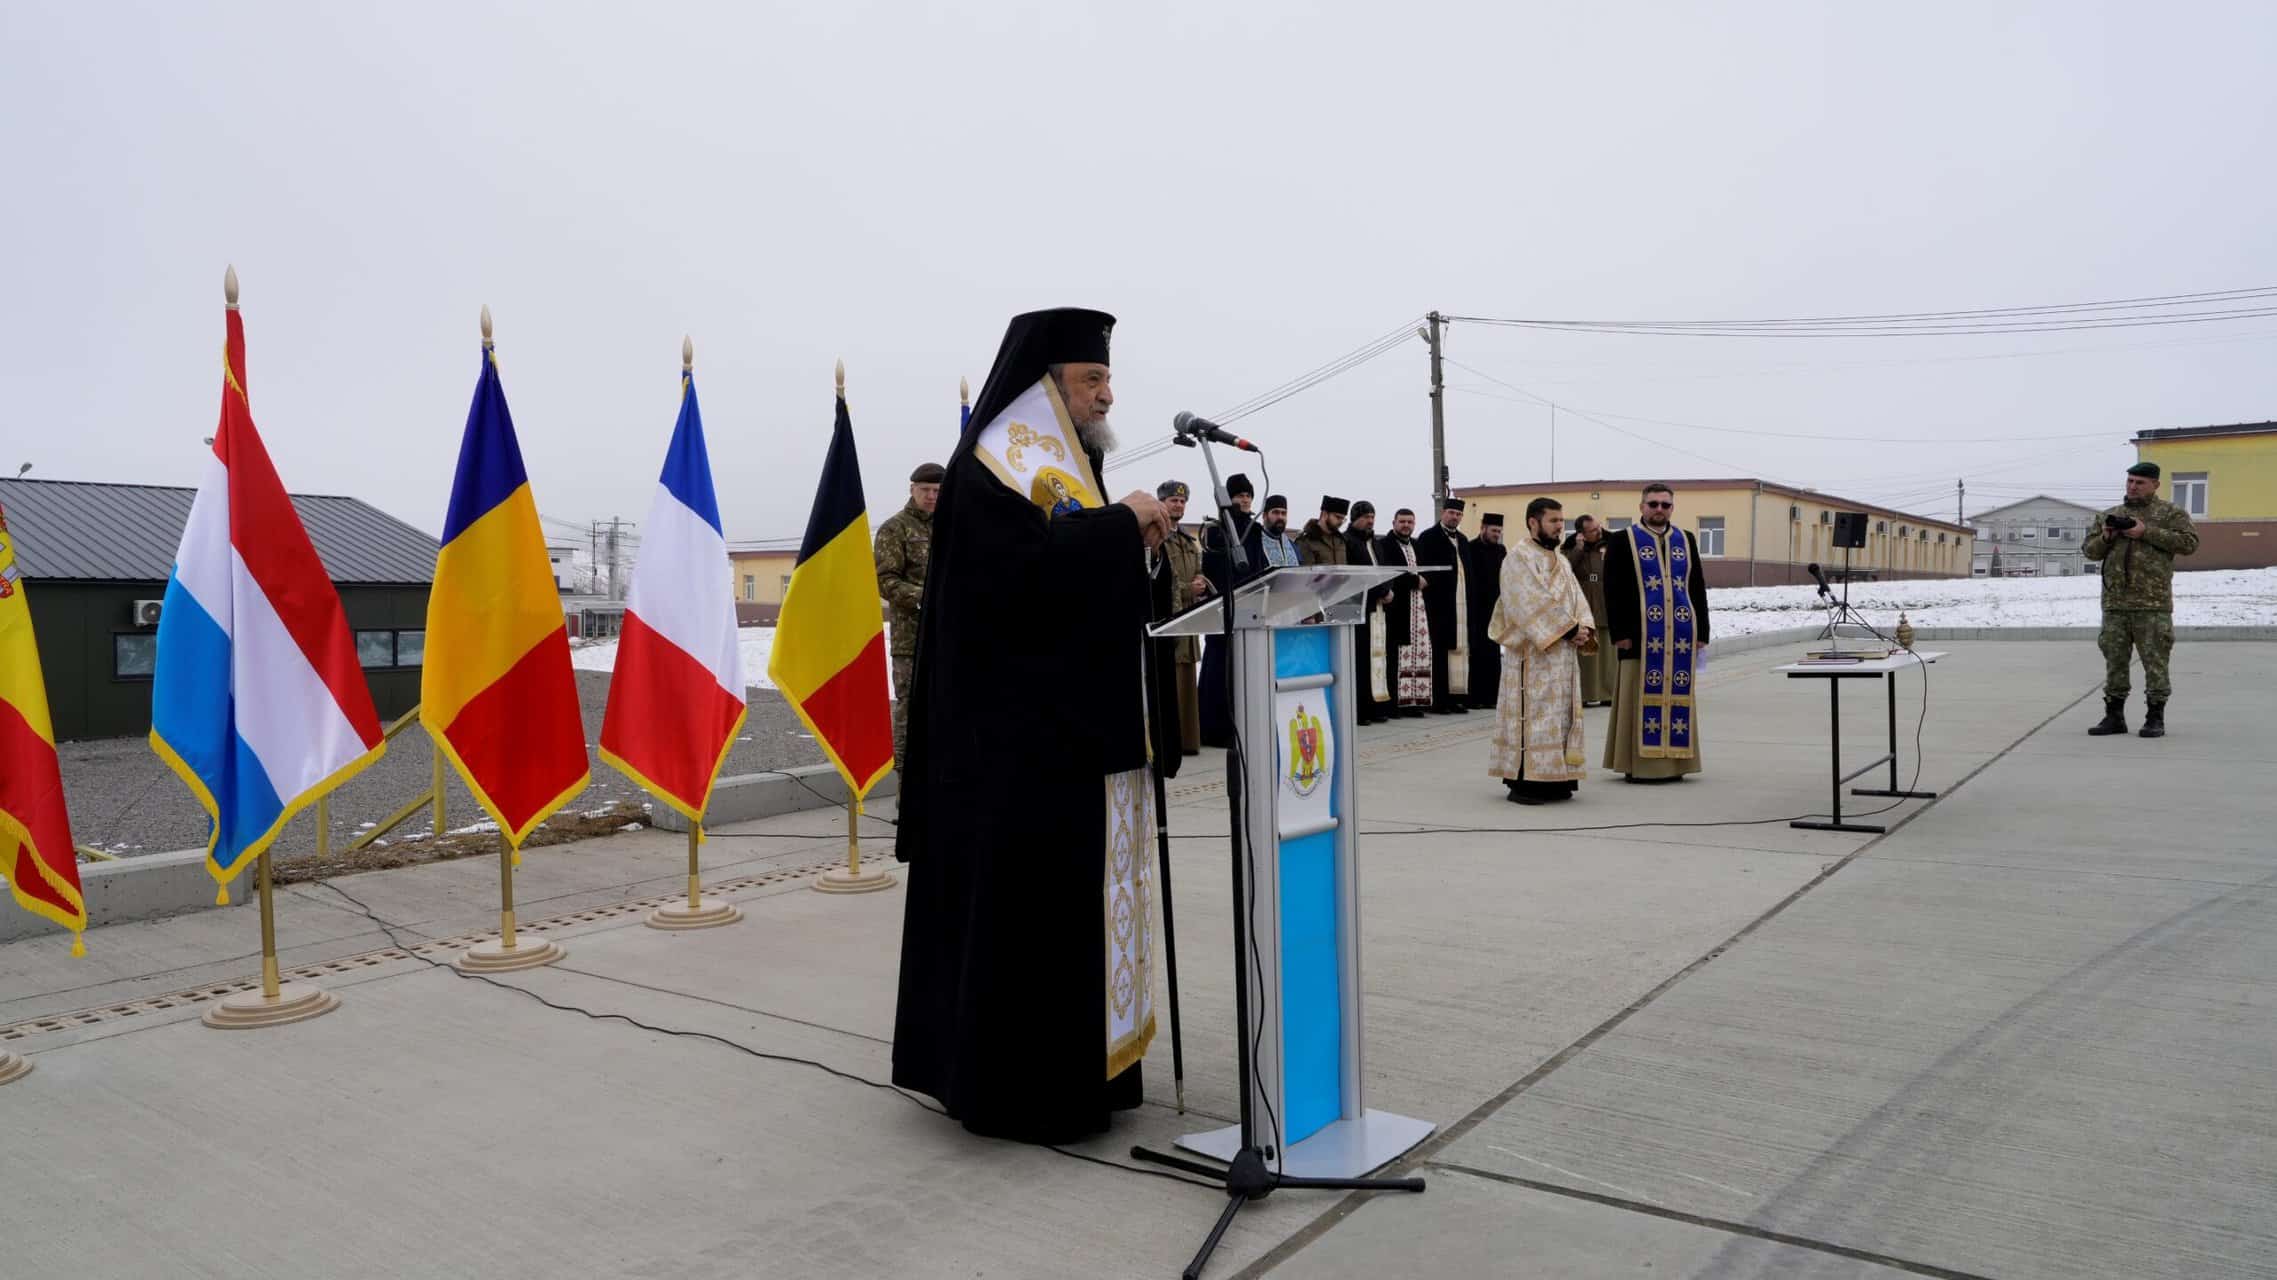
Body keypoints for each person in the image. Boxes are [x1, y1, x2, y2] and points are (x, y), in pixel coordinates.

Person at [893, 307, 1175, 1145]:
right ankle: (1021, 1091)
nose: (1105, 395)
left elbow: (1078, 578)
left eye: (1106, 380)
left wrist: (1135, 538)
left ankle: (1094, 1074)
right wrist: (1120, 525)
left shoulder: (1069, 469)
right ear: (1045, 386)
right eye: (1091, 380)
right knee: (1027, 917)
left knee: (1080, 910)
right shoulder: (989, 470)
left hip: (1075, 735)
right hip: (1012, 750)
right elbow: (1014, 587)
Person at [2081, 460, 2199, 738]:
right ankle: (2114, 717)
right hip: (2115, 604)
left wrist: (2146, 532)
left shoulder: (2170, 513)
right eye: (2130, 481)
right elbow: (2090, 551)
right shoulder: (2110, 515)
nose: (2133, 487)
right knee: (2115, 660)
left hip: (2152, 604)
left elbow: (2189, 544)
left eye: (2140, 482)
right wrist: (2107, 537)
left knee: (2155, 661)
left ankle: (2154, 717)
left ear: (2155, 485)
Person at [1489, 499, 1594, 804]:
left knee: (1560, 719)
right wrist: (1569, 629)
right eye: (1553, 521)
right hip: (1531, 656)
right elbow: (1525, 601)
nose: (1560, 526)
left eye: (1562, 520)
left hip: (1561, 656)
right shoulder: (1518, 558)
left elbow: (1577, 598)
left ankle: (1558, 780)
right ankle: (1526, 784)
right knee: (1533, 718)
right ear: (1533, 523)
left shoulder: (1561, 560)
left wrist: (1583, 627)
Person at [1602, 484, 1709, 783]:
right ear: (1641, 507)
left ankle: (1676, 764)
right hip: (1637, 637)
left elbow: (1697, 587)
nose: (1659, 509)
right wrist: (1619, 632)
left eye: (1665, 504)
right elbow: (1612, 589)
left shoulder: (1685, 540)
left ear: (1672, 508)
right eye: (1653, 504)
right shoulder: (1624, 540)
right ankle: (1637, 765)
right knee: (1636, 699)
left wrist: (1703, 632)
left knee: (1678, 699)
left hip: (1680, 638)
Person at [875, 461, 942, 767]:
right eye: (925, 490)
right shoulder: (895, 528)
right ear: (912, 489)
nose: (931, 496)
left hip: (949, 638)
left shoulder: (953, 526)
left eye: (937, 491)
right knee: (910, 713)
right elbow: (885, 580)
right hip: (911, 641)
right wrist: (926, 599)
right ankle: (906, 789)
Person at [1198, 472, 1261, 748]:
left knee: (1243, 668)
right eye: (1239, 496)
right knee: (1218, 667)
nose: (1245, 500)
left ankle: (1241, 725)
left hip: (1249, 606)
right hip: (1222, 607)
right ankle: (1213, 728)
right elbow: (1212, 568)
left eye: (1248, 496)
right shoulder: (1216, 529)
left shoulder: (1255, 529)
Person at [1154, 480, 1206, 755]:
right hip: (1167, 618)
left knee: (1187, 680)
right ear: (1161, 502)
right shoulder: (1156, 537)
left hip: (1189, 617)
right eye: (1173, 500)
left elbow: (1198, 570)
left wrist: (1199, 585)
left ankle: (1187, 740)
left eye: (1182, 501)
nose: (1178, 505)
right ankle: (1167, 740)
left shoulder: (1189, 542)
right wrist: (1188, 588)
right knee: (1168, 680)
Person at [1413, 497, 1472, 714]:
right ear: (1443, 513)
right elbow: (1425, 570)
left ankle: (1457, 697)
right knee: (1440, 651)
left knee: (1460, 649)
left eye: (1458, 515)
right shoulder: (1428, 537)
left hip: (1462, 603)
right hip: (1439, 604)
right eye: (1451, 513)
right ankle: (1439, 700)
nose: (1454, 517)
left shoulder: (1463, 540)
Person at [1375, 508, 1433, 717]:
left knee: (1418, 656)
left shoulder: (1417, 544)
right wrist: (1414, 580)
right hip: (1397, 609)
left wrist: (1425, 579)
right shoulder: (1385, 545)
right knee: (1396, 657)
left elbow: (1429, 569)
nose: (1406, 525)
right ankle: (1395, 704)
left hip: (1418, 608)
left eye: (1410, 522)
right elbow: (1390, 572)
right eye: (1402, 521)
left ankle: (1413, 702)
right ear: (1394, 523)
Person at [1345, 501, 1393, 725]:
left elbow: (1384, 569)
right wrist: (1380, 591)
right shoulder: (1349, 542)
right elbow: (1358, 575)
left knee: (1378, 658)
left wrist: (1388, 589)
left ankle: (1377, 707)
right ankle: (1361, 710)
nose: (1370, 521)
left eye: (1372, 516)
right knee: (1362, 660)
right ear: (1355, 519)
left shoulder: (1376, 542)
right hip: (1361, 607)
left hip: (1380, 608)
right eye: (1366, 517)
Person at [1563, 515, 1618, 707]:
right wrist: (1578, 550)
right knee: (1585, 653)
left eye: (1598, 527)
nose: (1599, 531)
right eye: (1593, 530)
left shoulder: (1611, 543)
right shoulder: (1570, 547)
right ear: (1581, 534)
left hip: (1606, 600)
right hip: (1583, 601)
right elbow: (1565, 571)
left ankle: (1608, 693)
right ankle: (1585, 694)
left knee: (1607, 654)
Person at [1464, 513, 1507, 709]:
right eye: (1493, 531)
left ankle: (1492, 697)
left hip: (1495, 608)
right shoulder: (1470, 548)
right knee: (1476, 653)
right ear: (1483, 528)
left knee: (1492, 653)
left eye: (1499, 531)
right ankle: (1475, 697)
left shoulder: (1501, 550)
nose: (1496, 534)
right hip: (1475, 608)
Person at [1294, 495, 1350, 568]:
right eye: (1338, 517)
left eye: (1343, 519)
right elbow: (1305, 574)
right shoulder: (1306, 541)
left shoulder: (1341, 541)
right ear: (1325, 514)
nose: (1341, 522)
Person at [1257, 494, 1301, 567]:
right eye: (1275, 512)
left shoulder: (1293, 547)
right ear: (1264, 516)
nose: (1280, 517)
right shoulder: (1256, 544)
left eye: (1283, 513)